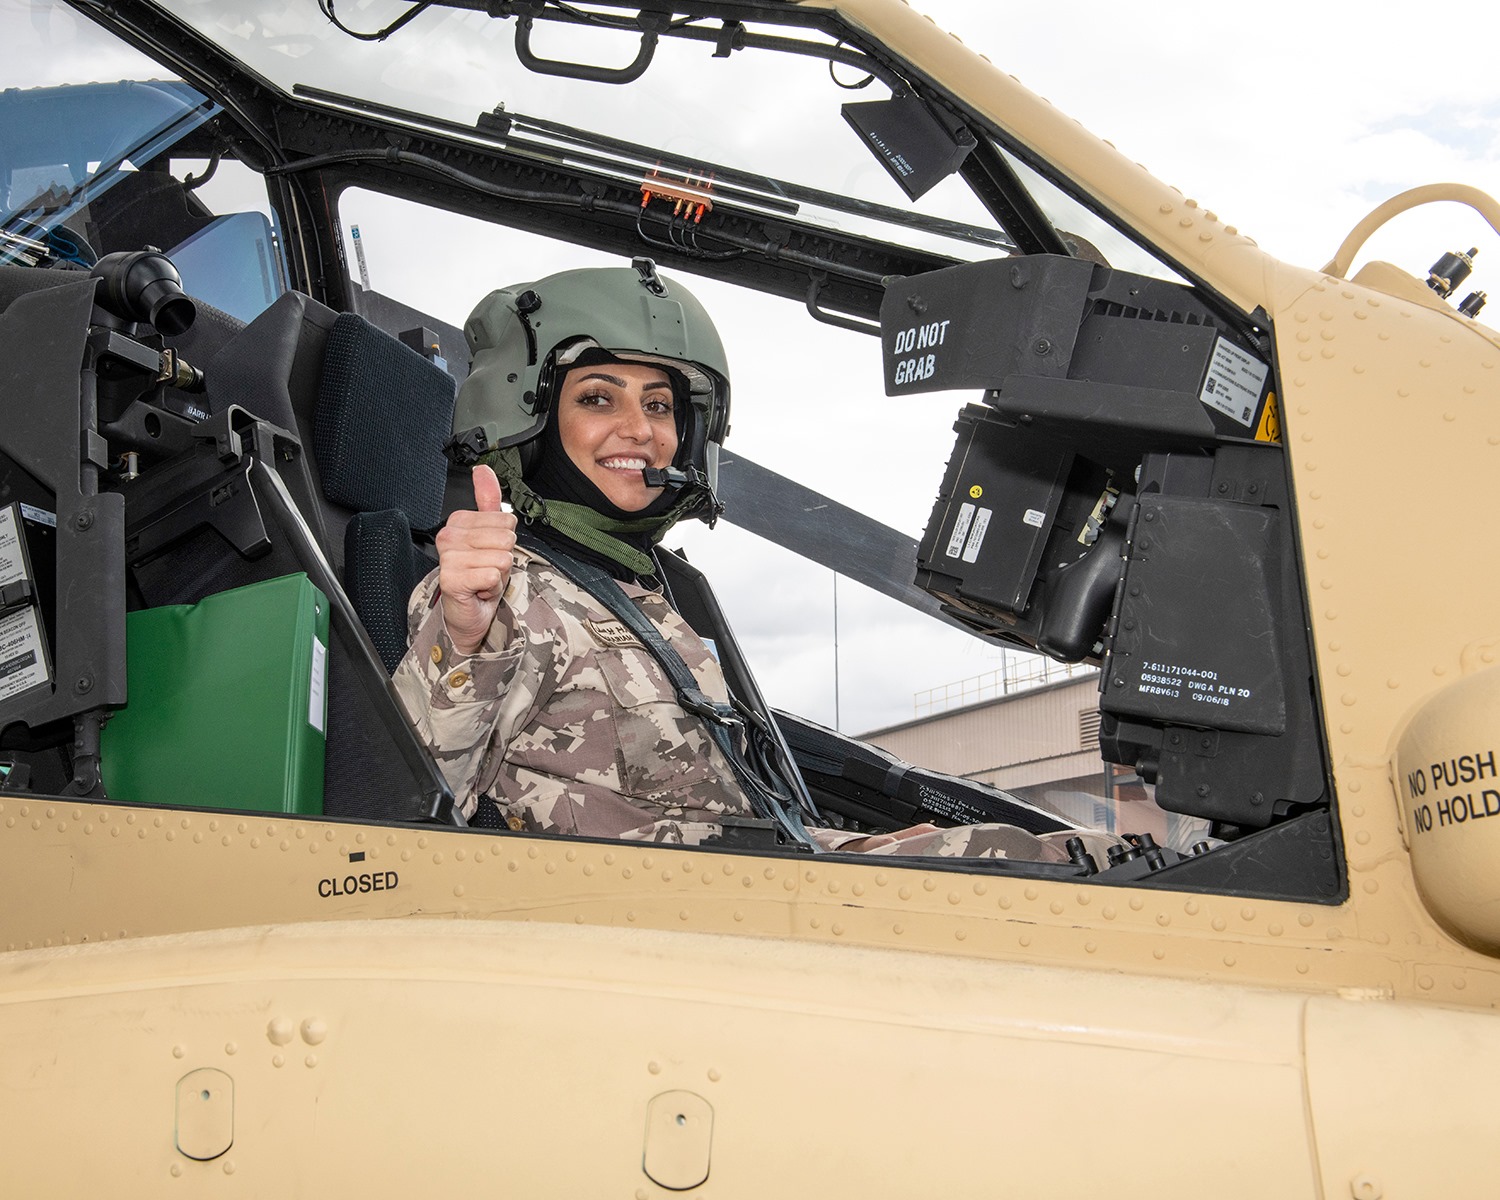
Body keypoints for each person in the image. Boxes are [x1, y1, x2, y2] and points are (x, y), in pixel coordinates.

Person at [394, 261, 1117, 862]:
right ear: (531, 417)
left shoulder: (648, 590)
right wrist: (462, 635)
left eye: (660, 405)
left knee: (1064, 856)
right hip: (628, 927)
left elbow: (707, 813)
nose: (640, 429)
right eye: (597, 398)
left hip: (748, 885)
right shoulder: (496, 591)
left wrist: (853, 846)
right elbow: (412, 802)